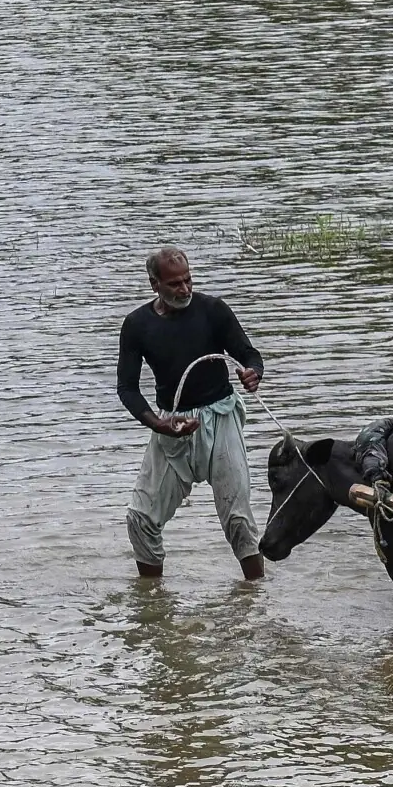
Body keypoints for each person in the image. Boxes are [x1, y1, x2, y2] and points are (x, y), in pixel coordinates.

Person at [117, 247, 266, 580]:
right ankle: (152, 596)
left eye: (188, 281)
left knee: (238, 520)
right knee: (140, 519)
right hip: (171, 423)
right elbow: (127, 388)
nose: (184, 290)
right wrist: (158, 423)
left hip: (221, 419)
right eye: (174, 284)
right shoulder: (137, 325)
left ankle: (257, 597)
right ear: (154, 284)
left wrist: (253, 372)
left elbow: (248, 354)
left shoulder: (212, 310)